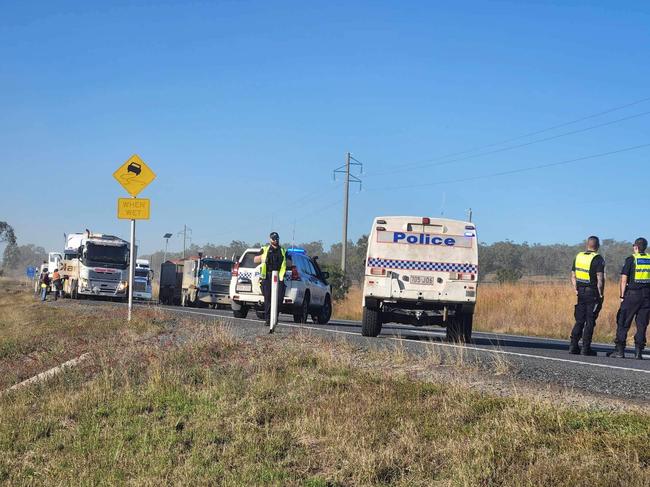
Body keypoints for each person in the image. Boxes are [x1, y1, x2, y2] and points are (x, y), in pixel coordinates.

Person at [608, 237, 650, 359]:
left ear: (636, 247)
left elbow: (623, 279)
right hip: (647, 296)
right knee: (642, 324)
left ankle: (620, 351)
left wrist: (622, 296)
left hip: (632, 295)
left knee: (623, 322)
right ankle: (638, 352)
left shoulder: (631, 259)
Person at [569, 236, 605, 356]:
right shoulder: (598, 258)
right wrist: (601, 294)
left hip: (581, 292)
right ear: (597, 246)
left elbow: (573, 275)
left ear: (587, 245)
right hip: (593, 293)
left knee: (579, 319)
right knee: (590, 321)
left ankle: (573, 346)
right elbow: (600, 278)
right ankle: (585, 348)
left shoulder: (578, 256)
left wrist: (575, 289)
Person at [254, 231, 287, 332]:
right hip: (267, 277)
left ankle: (275, 318)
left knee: (279, 299)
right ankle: (268, 319)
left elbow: (289, 261)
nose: (275, 240)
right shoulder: (265, 249)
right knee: (268, 298)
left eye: (277, 238)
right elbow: (255, 260)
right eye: (273, 238)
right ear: (270, 239)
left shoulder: (283, 250)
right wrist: (263, 257)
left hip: (279, 277)